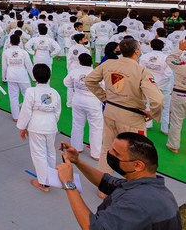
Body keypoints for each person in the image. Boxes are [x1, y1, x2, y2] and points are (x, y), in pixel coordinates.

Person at [56, 133, 181, 230]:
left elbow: (95, 228)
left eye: (116, 153)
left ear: (137, 165)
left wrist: (69, 183)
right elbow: (106, 182)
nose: (110, 153)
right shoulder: (147, 184)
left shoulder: (137, 202)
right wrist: (78, 161)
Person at [84, 38, 164, 173]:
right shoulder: (141, 71)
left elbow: (89, 80)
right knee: (138, 154)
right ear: (137, 51)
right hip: (131, 117)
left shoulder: (108, 64)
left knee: (108, 148)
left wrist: (105, 98)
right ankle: (136, 186)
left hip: (111, 110)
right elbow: (158, 99)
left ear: (120, 50)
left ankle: (103, 186)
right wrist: (153, 113)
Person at [17, 64, 61, 192]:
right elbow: (58, 111)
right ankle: (50, 178)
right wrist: (52, 122)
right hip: (51, 125)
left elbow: (26, 111)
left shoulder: (31, 91)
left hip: (36, 125)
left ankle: (44, 182)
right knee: (50, 152)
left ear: (34, 78)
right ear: (49, 77)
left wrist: (22, 127)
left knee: (39, 153)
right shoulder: (55, 92)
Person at [64, 53, 103, 160]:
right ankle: (96, 154)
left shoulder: (74, 72)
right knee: (96, 127)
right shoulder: (96, 72)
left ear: (80, 62)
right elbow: (104, 87)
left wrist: (76, 88)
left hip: (78, 100)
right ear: (91, 61)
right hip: (93, 101)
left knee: (77, 124)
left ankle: (77, 148)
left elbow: (66, 83)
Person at [2, 34, 34, 121]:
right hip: (22, 75)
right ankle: (27, 115)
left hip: (10, 75)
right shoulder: (23, 52)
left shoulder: (6, 52)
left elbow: (4, 67)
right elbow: (29, 66)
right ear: (19, 42)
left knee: (13, 96)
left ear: (10, 42)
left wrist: (4, 78)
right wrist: (34, 78)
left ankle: (15, 117)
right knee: (27, 95)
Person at [166, 39, 186, 153]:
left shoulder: (181, 65)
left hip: (179, 94)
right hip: (180, 93)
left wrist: (180, 49)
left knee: (176, 121)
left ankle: (174, 146)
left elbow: (169, 59)